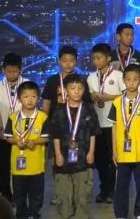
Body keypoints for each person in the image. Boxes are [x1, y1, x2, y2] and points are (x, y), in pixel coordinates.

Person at [48, 74, 101, 219]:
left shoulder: (88, 109)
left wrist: (91, 152)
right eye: (72, 88)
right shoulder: (59, 110)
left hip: (83, 158)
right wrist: (58, 154)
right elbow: (55, 135)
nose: (76, 91)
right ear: (66, 90)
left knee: (82, 194)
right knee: (63, 193)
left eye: (80, 88)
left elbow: (93, 133)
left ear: (84, 90)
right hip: (63, 158)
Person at [108, 64, 140, 219]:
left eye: (135, 79)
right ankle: (120, 213)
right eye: (128, 79)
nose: (131, 83)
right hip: (122, 152)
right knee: (121, 185)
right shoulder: (116, 102)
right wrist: (114, 150)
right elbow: (114, 127)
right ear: (123, 80)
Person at [3, 81, 50, 219]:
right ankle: (21, 214)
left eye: (34, 96)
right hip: (18, 167)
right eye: (26, 96)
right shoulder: (13, 117)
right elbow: (8, 137)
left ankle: (34, 214)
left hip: (36, 166)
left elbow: (46, 138)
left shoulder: (42, 117)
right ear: (19, 99)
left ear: (38, 98)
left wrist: (34, 142)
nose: (30, 100)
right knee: (19, 194)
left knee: (37, 194)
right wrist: (16, 141)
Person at [88, 43, 125, 204]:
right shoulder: (91, 77)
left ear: (108, 58)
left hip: (113, 124)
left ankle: (113, 190)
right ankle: (104, 189)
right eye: (94, 58)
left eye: (99, 58)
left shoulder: (118, 75)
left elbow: (126, 96)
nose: (96, 61)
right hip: (97, 124)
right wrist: (93, 96)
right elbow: (87, 97)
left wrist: (108, 97)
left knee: (113, 159)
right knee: (100, 160)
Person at [0, 53, 29, 202]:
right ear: (3, 69)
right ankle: (5, 194)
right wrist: (0, 129)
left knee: (21, 165)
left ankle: (20, 194)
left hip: (23, 134)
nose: (12, 74)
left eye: (15, 71)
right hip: (2, 135)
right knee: (2, 166)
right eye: (9, 71)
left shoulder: (27, 85)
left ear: (20, 70)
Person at [41, 46, 92, 118]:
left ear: (76, 61)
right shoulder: (52, 80)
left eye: (71, 61)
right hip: (55, 121)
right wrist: (44, 122)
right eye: (64, 61)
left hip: (77, 120)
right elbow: (46, 104)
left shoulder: (82, 80)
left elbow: (87, 103)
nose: (68, 64)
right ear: (59, 61)